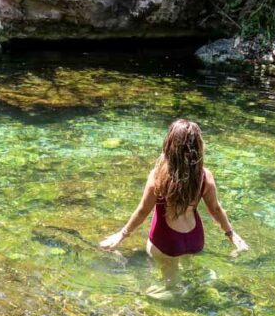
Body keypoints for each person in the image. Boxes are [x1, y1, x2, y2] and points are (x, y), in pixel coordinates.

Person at [99, 119, 248, 287]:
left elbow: (142, 211)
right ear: (198, 147)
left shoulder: (158, 176)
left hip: (167, 241)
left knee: (170, 282)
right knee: (194, 277)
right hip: (195, 240)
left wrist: (122, 235)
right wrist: (231, 234)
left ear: (170, 144)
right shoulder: (205, 176)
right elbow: (215, 209)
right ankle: (202, 288)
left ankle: (169, 298)